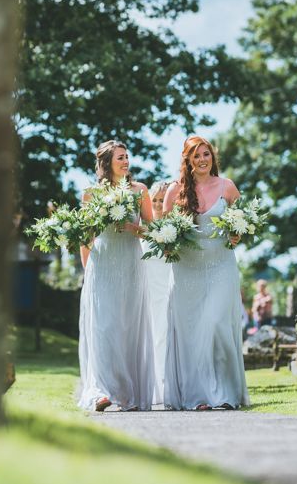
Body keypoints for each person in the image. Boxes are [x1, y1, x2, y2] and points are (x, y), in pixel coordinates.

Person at [162, 136, 250, 411]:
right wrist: (168, 245)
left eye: (206, 154)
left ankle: (224, 393)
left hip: (221, 265)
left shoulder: (227, 187)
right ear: (187, 161)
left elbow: (243, 222)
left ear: (213, 157)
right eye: (196, 156)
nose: (202, 160)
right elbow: (163, 231)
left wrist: (238, 234)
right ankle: (198, 396)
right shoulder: (175, 191)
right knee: (192, 332)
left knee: (215, 325)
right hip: (187, 269)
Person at [77, 140, 155, 412]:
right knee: (104, 326)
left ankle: (125, 394)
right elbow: (85, 237)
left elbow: (153, 230)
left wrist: (134, 227)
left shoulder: (140, 191)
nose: (125, 161)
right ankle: (100, 392)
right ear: (107, 162)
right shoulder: (91, 193)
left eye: (126, 157)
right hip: (103, 264)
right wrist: (87, 272)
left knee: (126, 327)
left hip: (131, 262)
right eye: (120, 157)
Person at [142, 180, 173, 404]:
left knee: (167, 336)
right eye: (155, 200)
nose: (159, 204)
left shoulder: (176, 230)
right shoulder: (142, 230)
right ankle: (151, 386)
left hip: (170, 290)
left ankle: (169, 386)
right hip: (148, 292)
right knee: (151, 337)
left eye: (163, 200)